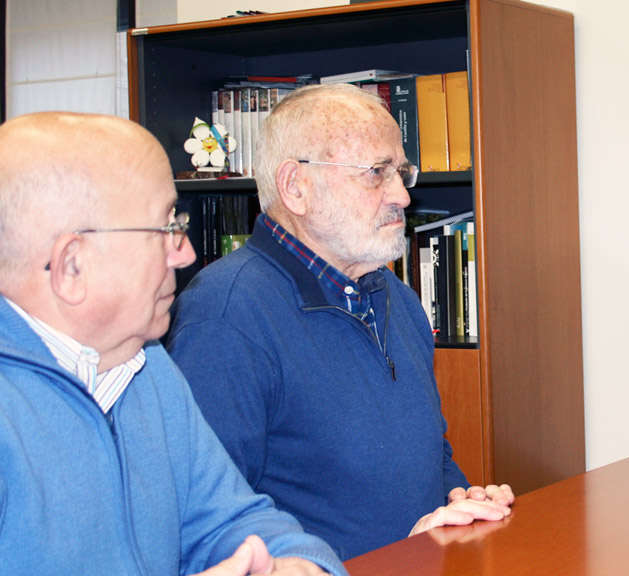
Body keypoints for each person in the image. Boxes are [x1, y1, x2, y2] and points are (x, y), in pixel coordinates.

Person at [166, 83, 513, 560]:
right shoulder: (227, 317)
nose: (402, 197)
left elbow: (430, 456)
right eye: (376, 173)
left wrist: (460, 502)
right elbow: (205, 524)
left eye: (401, 172)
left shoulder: (396, 297)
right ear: (296, 187)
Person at [0, 111, 347, 575]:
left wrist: (299, 566)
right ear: (72, 266)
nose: (185, 253)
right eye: (165, 228)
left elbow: (228, 519)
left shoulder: (146, 366)